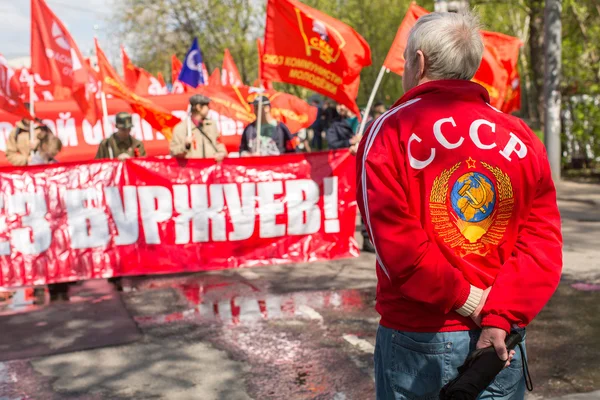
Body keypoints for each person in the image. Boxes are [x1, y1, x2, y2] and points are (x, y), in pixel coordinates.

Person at [357, 11, 562, 400]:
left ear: (418, 63)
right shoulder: (521, 137)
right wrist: (498, 316)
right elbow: (543, 246)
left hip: (418, 340)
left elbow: (396, 248)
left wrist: (469, 301)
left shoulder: (390, 130)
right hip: (498, 344)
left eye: (405, 61)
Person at [170, 94, 227, 160]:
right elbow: (173, 151)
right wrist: (185, 146)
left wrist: (222, 153)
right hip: (192, 169)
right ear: (198, 107)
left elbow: (218, 144)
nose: (209, 108)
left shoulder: (211, 125)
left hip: (211, 167)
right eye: (207, 106)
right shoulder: (181, 128)